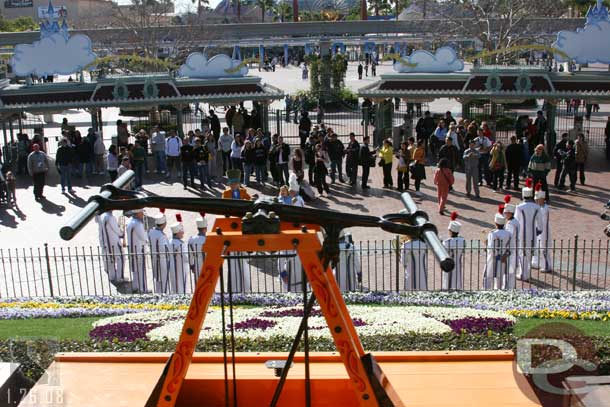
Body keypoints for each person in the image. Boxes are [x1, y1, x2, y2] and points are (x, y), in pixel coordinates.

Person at [221, 169, 251, 292]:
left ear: (239, 184)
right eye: (232, 184)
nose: (234, 186)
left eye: (236, 184)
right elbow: (222, 205)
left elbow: (250, 202)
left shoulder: (243, 192)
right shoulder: (226, 193)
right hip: (232, 220)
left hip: (241, 218)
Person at [514, 178, 540, 282]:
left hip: (522, 233)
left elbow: (516, 220)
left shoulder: (520, 207)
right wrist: (538, 231)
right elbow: (540, 223)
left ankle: (522, 273)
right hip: (533, 233)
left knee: (522, 253)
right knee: (529, 253)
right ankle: (527, 274)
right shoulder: (536, 207)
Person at [483, 209, 513, 290]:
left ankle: (487, 289)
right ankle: (499, 289)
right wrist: (505, 255)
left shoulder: (492, 233)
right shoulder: (509, 233)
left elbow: (491, 247)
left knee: (488, 275)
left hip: (492, 258)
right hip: (504, 258)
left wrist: (486, 246)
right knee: (500, 275)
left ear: (496, 223)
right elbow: (511, 247)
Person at [97, 210, 125, 284]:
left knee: (110, 259)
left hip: (107, 241)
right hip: (114, 241)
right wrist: (122, 231)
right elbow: (117, 230)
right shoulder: (110, 217)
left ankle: (111, 276)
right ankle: (120, 277)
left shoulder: (102, 216)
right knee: (120, 258)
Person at [126, 208, 148, 293]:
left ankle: (135, 286)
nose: (143, 214)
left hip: (131, 249)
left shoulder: (128, 221)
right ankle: (143, 289)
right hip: (139, 249)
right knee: (141, 270)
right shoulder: (138, 224)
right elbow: (143, 237)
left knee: (134, 269)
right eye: (141, 212)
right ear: (138, 213)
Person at [532, 184, 553, 273]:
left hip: (544, 231)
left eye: (537, 199)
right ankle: (537, 262)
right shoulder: (540, 207)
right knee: (537, 246)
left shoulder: (544, 208)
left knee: (544, 248)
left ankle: (547, 266)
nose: (535, 200)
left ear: (542, 199)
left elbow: (540, 219)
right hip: (539, 230)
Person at [442, 212, 465, 290]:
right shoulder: (462, 240)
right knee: (457, 278)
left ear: (451, 231)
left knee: (447, 279)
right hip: (457, 263)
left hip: (448, 264)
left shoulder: (446, 242)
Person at [168, 214, 190, 294]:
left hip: (172, 266)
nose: (183, 233)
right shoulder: (181, 244)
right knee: (181, 285)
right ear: (177, 233)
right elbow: (186, 257)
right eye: (181, 232)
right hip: (181, 266)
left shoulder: (169, 241)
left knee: (175, 285)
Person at [149, 210, 170, 293]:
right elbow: (164, 249)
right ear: (164, 224)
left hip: (154, 258)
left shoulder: (150, 232)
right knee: (163, 280)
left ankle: (158, 293)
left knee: (157, 279)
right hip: (162, 260)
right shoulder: (162, 236)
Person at [503, 196, 520, 290]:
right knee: (512, 270)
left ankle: (507, 287)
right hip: (515, 247)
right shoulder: (515, 221)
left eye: (506, 212)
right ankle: (511, 286)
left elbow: (508, 237)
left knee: (509, 270)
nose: (504, 214)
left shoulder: (510, 224)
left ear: (510, 213)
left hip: (510, 249)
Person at [188, 214, 208, 279]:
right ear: (206, 228)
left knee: (198, 283)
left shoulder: (192, 239)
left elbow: (190, 255)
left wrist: (192, 265)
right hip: (208, 264)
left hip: (197, 265)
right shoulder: (208, 239)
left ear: (198, 228)